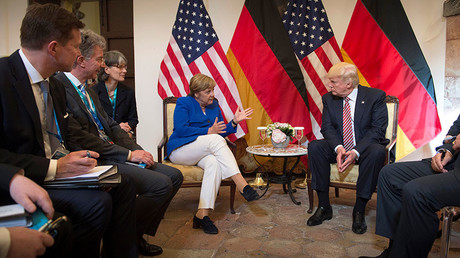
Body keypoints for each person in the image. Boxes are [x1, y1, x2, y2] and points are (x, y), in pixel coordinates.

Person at [0, 4, 137, 257]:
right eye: (74, 46)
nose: (78, 54)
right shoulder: (3, 78)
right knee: (97, 203)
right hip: (23, 178)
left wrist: (80, 163)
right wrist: (56, 168)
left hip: (56, 170)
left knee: (121, 182)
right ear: (53, 48)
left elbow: (64, 138)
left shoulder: (54, 85)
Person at [54, 29, 183, 256]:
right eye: (100, 59)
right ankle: (120, 236)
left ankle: (132, 234)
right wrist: (127, 155)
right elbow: (78, 138)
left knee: (174, 176)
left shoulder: (89, 91)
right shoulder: (59, 88)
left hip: (117, 151)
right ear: (81, 61)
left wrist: (136, 150)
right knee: (160, 185)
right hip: (97, 158)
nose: (103, 65)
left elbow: (112, 126)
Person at [167, 73, 260, 234]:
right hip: (180, 150)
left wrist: (234, 122)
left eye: (213, 90)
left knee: (214, 162)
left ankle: (202, 215)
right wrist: (208, 131)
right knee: (215, 140)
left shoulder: (213, 106)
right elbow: (181, 129)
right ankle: (242, 184)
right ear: (196, 93)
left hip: (202, 151)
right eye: (208, 91)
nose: (212, 94)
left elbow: (220, 131)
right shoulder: (184, 103)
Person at [360, 114, 460, 258]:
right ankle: (394, 250)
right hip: (452, 162)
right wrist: (447, 150)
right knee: (389, 174)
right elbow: (456, 128)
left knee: (416, 192)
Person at [307, 62, 388, 234]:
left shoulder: (375, 96)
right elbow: (327, 128)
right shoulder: (329, 98)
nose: (329, 85)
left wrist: (356, 151)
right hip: (340, 146)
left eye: (333, 82)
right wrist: (338, 148)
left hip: (364, 147)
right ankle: (323, 207)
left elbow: (378, 130)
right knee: (315, 147)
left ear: (349, 84)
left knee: (377, 152)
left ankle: (359, 210)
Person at [92, 50, 138, 138]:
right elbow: (94, 121)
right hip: (101, 138)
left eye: (125, 67)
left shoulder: (129, 92)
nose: (124, 71)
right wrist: (116, 127)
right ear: (107, 69)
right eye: (120, 67)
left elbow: (133, 119)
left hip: (123, 136)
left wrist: (126, 126)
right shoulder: (93, 92)